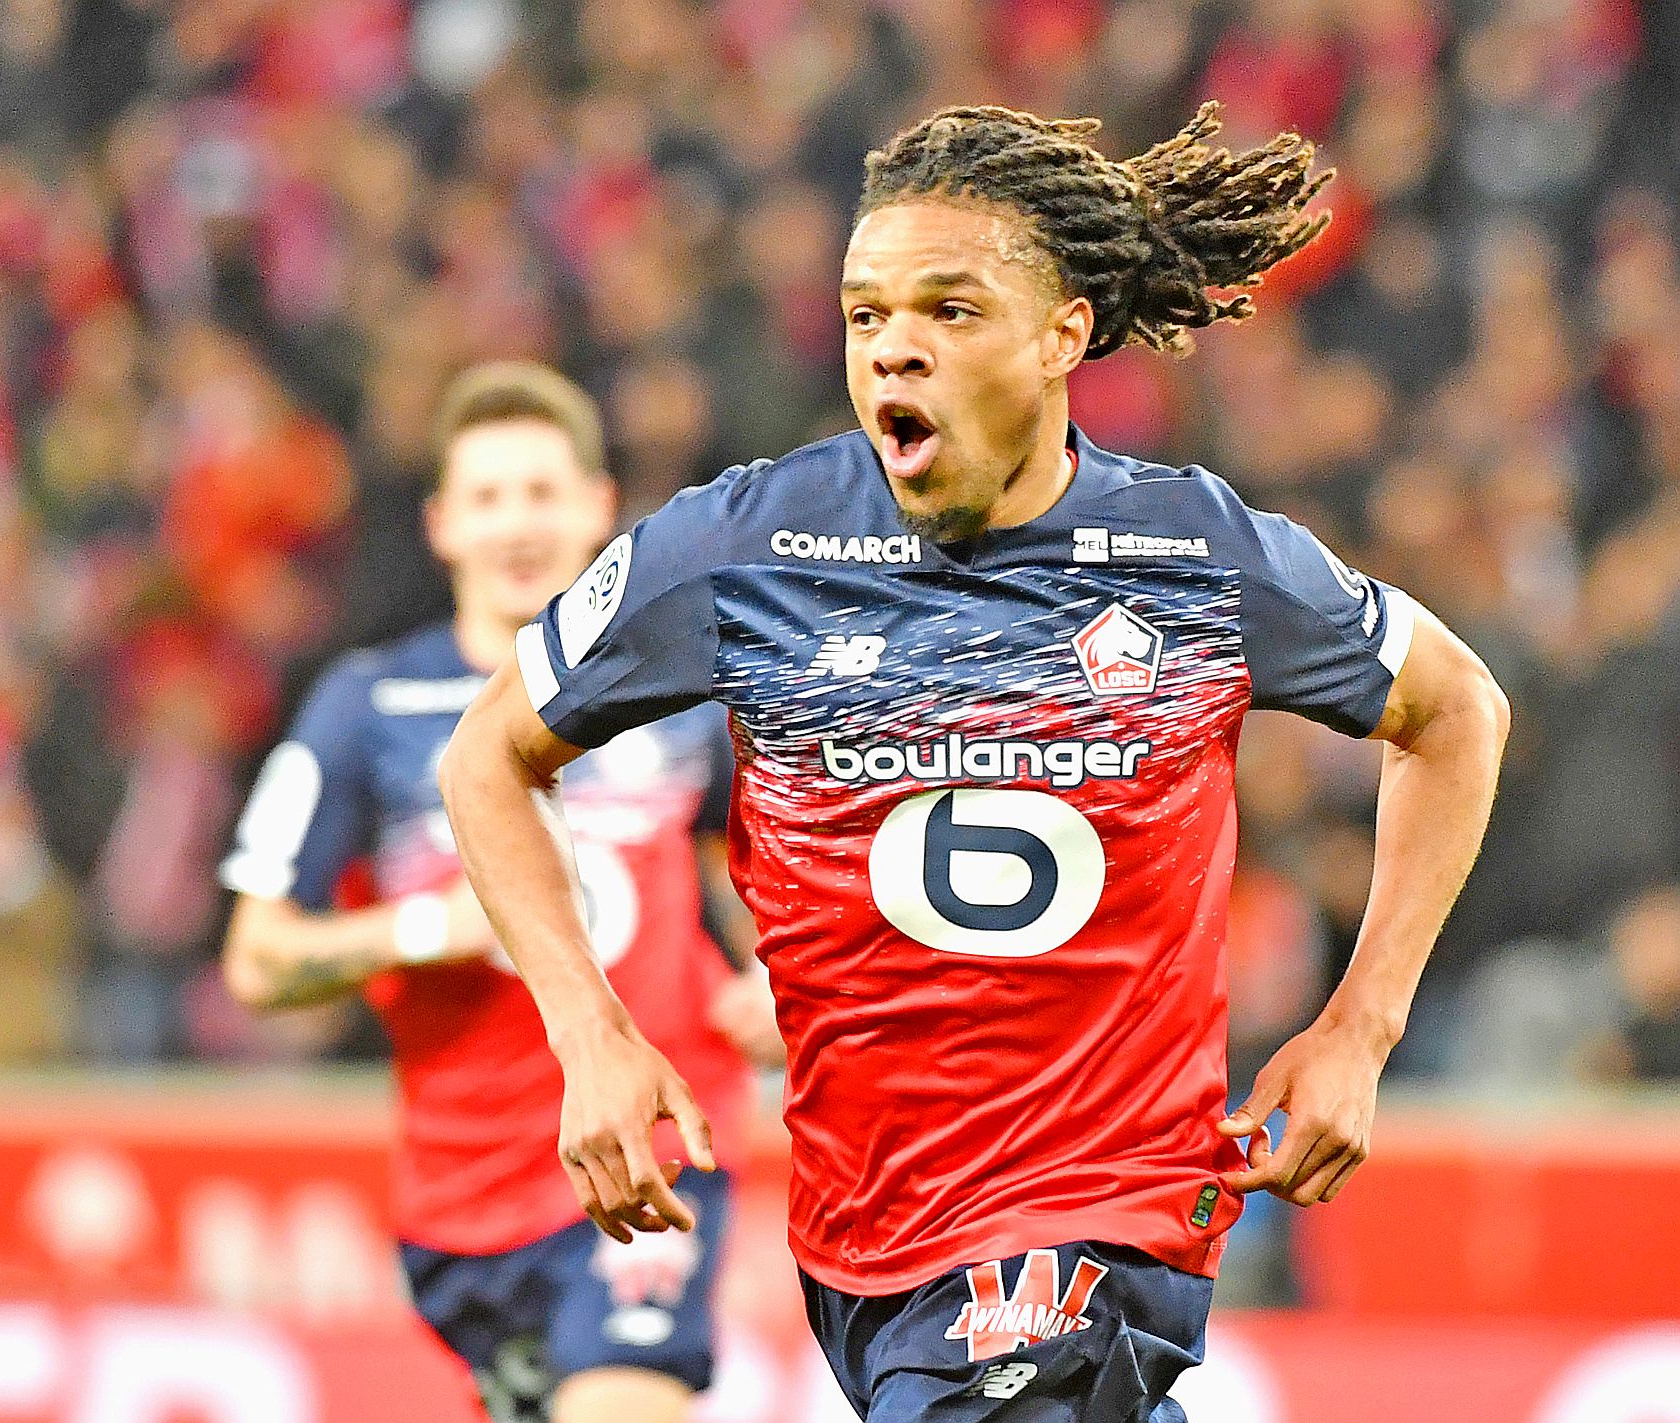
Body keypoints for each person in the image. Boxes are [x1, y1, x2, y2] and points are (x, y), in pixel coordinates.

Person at [438, 103, 1510, 1423]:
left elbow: (1455, 709)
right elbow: (491, 754)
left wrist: (1361, 1024)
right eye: (866, 313)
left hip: (1095, 1216)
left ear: (1062, 335)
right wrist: (589, 1031)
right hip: (867, 1235)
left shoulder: (1193, 557)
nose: (894, 345)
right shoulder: (745, 548)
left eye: (949, 309)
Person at [219, 362, 779, 1423]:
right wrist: (426, 927)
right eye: (488, 497)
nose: (517, 523)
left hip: (654, 1147)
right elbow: (258, 959)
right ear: (442, 523)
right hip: (465, 1199)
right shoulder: (367, 706)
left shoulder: (681, 697)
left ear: (598, 507)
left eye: (541, 492)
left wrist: (775, 979)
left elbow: (759, 865)